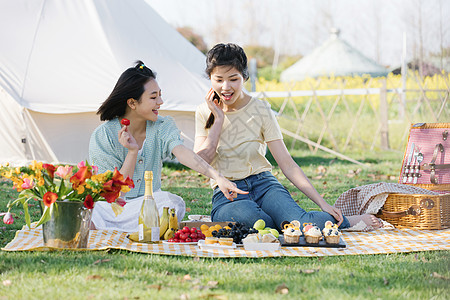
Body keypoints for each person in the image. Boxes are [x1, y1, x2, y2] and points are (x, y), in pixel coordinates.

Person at [194, 43, 382, 231]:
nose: (225, 87)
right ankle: (282, 222)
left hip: (264, 186)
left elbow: (287, 164)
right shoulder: (204, 112)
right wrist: (218, 121)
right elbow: (200, 162)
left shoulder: (261, 109)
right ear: (210, 79)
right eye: (218, 80)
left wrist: (322, 202)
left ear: (244, 77)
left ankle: (348, 221)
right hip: (228, 195)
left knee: (306, 224)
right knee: (256, 222)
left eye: (233, 79)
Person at [89, 60, 246, 232]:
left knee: (173, 203)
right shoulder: (103, 136)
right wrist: (132, 152)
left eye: (160, 95)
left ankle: (112, 230)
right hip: (112, 209)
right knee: (93, 210)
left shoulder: (163, 126)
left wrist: (218, 177)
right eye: (153, 97)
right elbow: (115, 195)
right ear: (132, 103)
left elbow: (182, 153)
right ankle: (138, 228)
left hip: (149, 205)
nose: (161, 102)